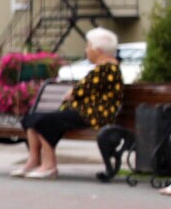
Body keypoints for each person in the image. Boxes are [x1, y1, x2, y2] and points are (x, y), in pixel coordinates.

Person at [14, 26, 125, 180]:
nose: (86, 50)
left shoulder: (109, 68)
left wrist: (73, 92)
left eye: (88, 45)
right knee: (31, 119)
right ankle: (34, 161)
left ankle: (49, 165)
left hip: (95, 115)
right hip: (85, 112)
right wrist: (73, 93)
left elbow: (82, 90)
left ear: (98, 49)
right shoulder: (103, 68)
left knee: (45, 121)